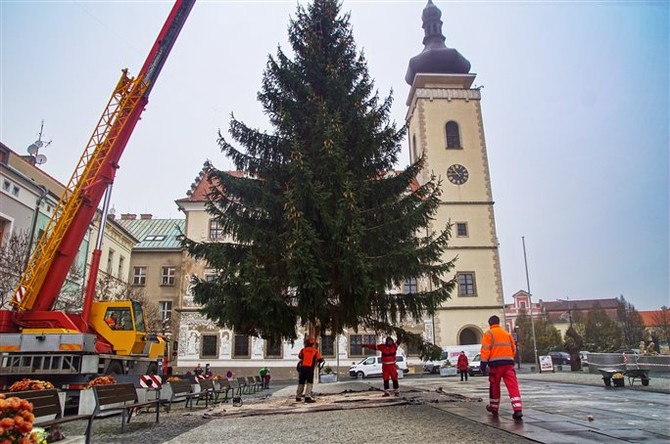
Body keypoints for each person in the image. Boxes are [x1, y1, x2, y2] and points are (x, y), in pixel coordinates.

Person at [480, 315, 523, 420]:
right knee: (513, 386)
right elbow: (513, 349)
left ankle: (494, 408)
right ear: (498, 323)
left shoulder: (488, 334)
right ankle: (518, 409)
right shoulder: (507, 334)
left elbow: (486, 350)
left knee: (494, 386)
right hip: (508, 364)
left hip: (495, 365)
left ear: (490, 323)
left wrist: (483, 364)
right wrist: (510, 359)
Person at [296, 338, 324, 403]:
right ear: (312, 344)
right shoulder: (315, 351)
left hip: (302, 368)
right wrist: (322, 359)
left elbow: (299, 356)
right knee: (309, 382)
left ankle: (298, 396)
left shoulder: (303, 350)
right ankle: (307, 396)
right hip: (309, 368)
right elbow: (319, 359)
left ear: (306, 343)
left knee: (301, 382)